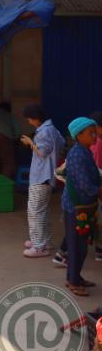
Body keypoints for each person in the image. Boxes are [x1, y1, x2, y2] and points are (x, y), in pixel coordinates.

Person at [60, 117, 101, 296]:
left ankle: (75, 276)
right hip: (76, 207)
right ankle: (73, 281)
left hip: (84, 206)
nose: (95, 136)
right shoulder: (77, 154)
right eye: (91, 133)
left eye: (95, 132)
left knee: (82, 244)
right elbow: (85, 184)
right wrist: (99, 190)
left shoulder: (85, 151)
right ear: (79, 135)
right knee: (77, 245)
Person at [20, 104, 62, 258]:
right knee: (42, 210)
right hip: (47, 175)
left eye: (30, 119)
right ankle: (43, 241)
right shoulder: (52, 129)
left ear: (36, 118)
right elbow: (61, 143)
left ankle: (39, 247)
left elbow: (42, 152)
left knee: (35, 211)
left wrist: (30, 143)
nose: (29, 122)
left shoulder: (43, 132)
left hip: (41, 176)